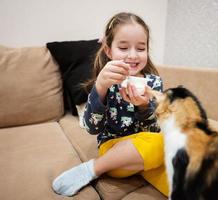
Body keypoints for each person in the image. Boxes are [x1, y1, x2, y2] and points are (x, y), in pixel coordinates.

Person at [52, 12, 169, 197]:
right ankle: (93, 168)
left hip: (145, 152)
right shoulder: (105, 82)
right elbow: (91, 128)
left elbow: (152, 130)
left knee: (175, 171)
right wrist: (100, 88)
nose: (132, 55)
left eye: (141, 48)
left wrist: (144, 107)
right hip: (113, 153)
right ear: (109, 50)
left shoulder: (154, 83)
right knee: (164, 143)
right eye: (123, 47)